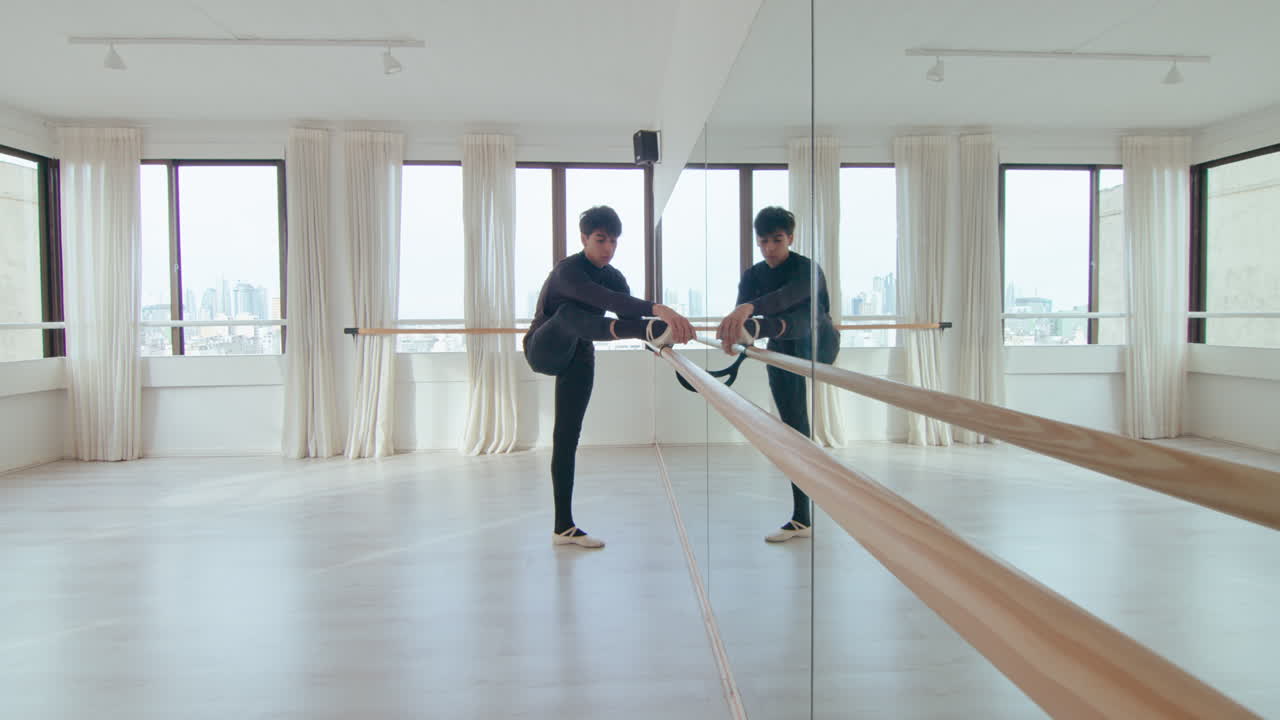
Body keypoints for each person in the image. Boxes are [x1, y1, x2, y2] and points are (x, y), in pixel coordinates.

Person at [524, 205, 695, 548]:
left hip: (580, 353)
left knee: (567, 435)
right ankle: (648, 327)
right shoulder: (567, 271)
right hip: (545, 346)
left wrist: (666, 348)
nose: (608, 248)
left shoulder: (613, 274)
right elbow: (601, 298)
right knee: (572, 312)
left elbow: (626, 305)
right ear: (584, 238)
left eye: (614, 242)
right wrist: (659, 311)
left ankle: (564, 528)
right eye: (601, 240)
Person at [715, 206, 839, 543]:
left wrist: (750, 312)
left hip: (817, 341)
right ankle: (802, 516)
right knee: (795, 429)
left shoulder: (806, 269)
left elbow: (790, 297)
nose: (770, 248)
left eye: (778, 240)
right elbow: (741, 320)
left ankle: (765, 327)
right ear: (758, 242)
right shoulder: (753, 275)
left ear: (791, 238)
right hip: (783, 345)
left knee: (797, 318)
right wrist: (737, 338)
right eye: (764, 241)